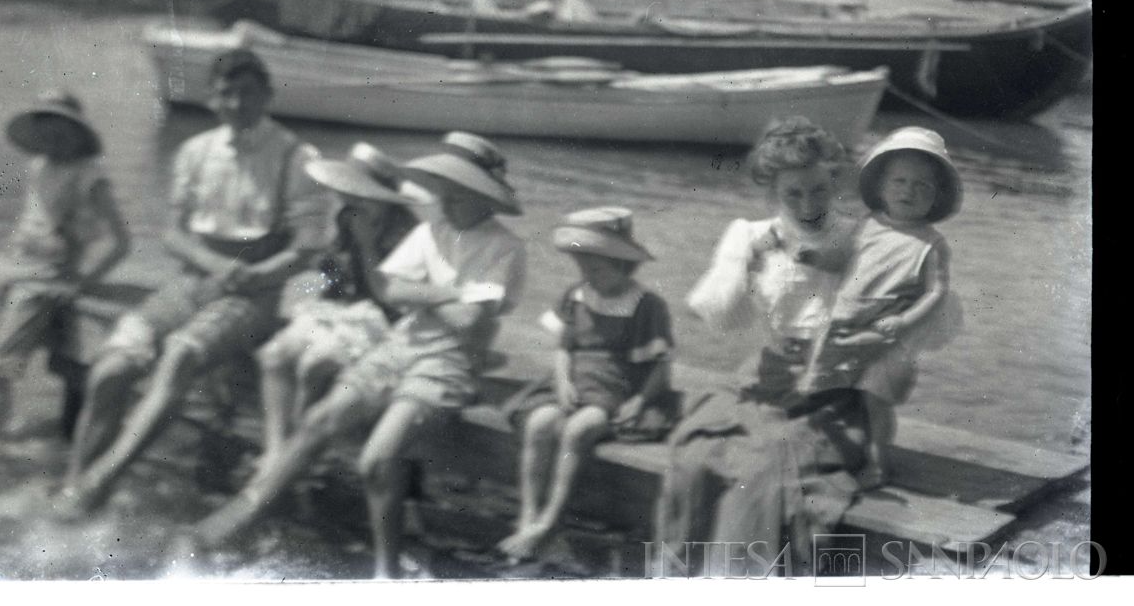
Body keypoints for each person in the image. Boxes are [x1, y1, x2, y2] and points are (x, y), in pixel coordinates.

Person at [179, 131, 527, 579]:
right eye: (444, 189)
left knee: (375, 460)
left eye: (457, 192)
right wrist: (454, 292)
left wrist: (424, 294)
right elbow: (389, 289)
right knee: (319, 417)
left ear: (483, 196)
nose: (446, 199)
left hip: (448, 362)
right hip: (400, 343)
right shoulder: (427, 231)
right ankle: (235, 521)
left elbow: (469, 322)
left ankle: (386, 573)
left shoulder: (505, 248)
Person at [54, 48, 327, 516]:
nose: (236, 104)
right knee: (110, 370)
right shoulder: (196, 152)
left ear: (267, 95)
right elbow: (172, 234)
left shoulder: (296, 157)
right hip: (191, 283)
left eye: (247, 93)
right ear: (211, 99)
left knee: (180, 354)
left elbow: (307, 247)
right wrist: (211, 262)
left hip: (255, 294)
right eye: (225, 94)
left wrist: (259, 273)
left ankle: (99, 483)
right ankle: (74, 483)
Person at [655, 117, 881, 576]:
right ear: (772, 191)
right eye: (793, 194)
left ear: (834, 180)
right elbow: (720, 317)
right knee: (696, 458)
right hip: (765, 378)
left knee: (770, 467)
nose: (808, 204)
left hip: (831, 391)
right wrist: (743, 264)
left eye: (819, 190)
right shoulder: (747, 234)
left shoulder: (860, 237)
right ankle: (680, 577)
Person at [498, 207, 672, 562]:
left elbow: (660, 367)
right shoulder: (577, 294)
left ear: (623, 265)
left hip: (614, 389)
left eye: (596, 270)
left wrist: (640, 401)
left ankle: (551, 519)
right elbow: (564, 348)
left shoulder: (646, 305)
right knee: (539, 423)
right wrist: (563, 382)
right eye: (582, 268)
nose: (587, 276)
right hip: (573, 384)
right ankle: (528, 513)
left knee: (577, 430)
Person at [796, 126, 962, 488]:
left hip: (889, 335)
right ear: (881, 187)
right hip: (845, 323)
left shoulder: (932, 243)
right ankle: (815, 448)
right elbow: (840, 260)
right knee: (819, 387)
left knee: (875, 398)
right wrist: (815, 257)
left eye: (922, 186)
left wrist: (904, 321)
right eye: (899, 181)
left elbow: (936, 292)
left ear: (936, 197)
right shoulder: (866, 226)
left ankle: (877, 462)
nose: (908, 191)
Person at [0, 91, 130, 446]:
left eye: (60, 127)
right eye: (44, 126)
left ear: (77, 131)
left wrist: (83, 281)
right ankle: (0, 430)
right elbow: (32, 221)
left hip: (47, 276)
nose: (51, 136)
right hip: (11, 266)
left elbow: (121, 241)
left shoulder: (89, 174)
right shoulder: (40, 165)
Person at [256, 142, 419, 465]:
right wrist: (315, 272)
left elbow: (390, 295)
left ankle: (296, 454)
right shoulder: (347, 216)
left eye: (359, 192)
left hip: (384, 319)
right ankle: (275, 450)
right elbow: (334, 273)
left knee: (315, 365)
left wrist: (368, 246)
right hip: (343, 311)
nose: (350, 198)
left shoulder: (406, 233)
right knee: (273, 356)